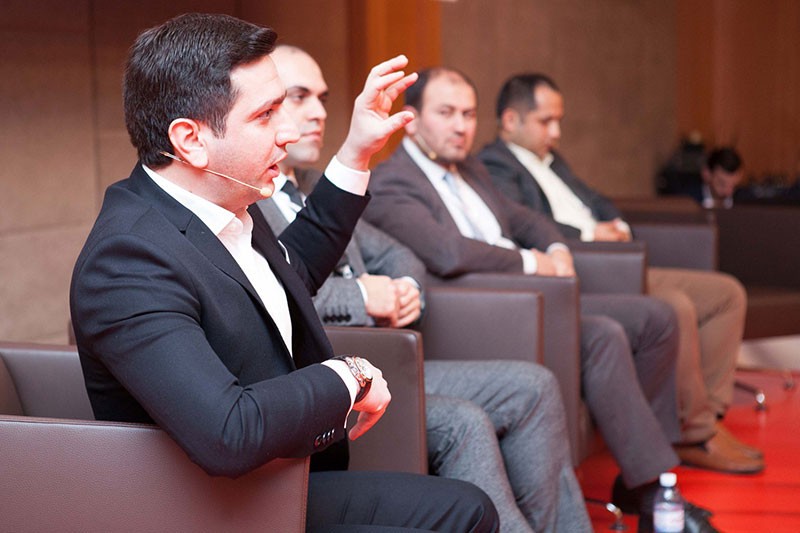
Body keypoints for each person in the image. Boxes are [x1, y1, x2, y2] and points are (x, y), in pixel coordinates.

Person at [69, 14, 499, 532]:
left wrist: (357, 152)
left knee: (469, 509)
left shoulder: (218, 203)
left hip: (275, 480)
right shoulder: (126, 260)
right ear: (190, 139)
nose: (289, 133)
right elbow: (228, 432)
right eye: (267, 115)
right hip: (212, 508)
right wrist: (350, 376)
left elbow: (293, 270)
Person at [362, 67, 718, 532]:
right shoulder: (392, 180)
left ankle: (646, 477)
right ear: (411, 120)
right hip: (486, 311)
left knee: (656, 319)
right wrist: (532, 263)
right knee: (603, 336)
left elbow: (524, 218)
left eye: (468, 114)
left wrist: (555, 247)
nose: (461, 126)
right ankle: (653, 491)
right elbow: (448, 252)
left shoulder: (470, 168)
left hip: (534, 298)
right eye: (446, 113)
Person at [255, 44, 590, 532]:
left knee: (534, 386)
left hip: (390, 357)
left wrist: (404, 287)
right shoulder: (246, 199)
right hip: (333, 375)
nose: (320, 113)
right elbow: (265, 292)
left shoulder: (313, 184)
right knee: (465, 421)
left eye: (323, 98)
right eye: (298, 96)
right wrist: (362, 296)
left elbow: (397, 254)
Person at [479, 73, 762, 475]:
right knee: (675, 305)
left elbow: (596, 199)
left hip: (617, 259)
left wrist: (614, 223)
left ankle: (708, 418)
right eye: (546, 121)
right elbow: (527, 224)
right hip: (588, 267)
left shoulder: (552, 160)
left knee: (726, 294)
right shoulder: (495, 165)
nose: (556, 132)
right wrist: (591, 234)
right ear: (511, 120)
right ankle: (691, 433)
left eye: (558, 121)